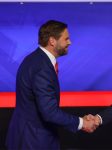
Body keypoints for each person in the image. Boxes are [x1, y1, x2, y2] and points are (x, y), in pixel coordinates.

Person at [6, 20, 97, 150]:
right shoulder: (41, 67)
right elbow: (49, 113)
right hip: (33, 141)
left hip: (28, 136)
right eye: (66, 39)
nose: (69, 42)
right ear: (52, 41)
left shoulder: (34, 59)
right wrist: (82, 123)